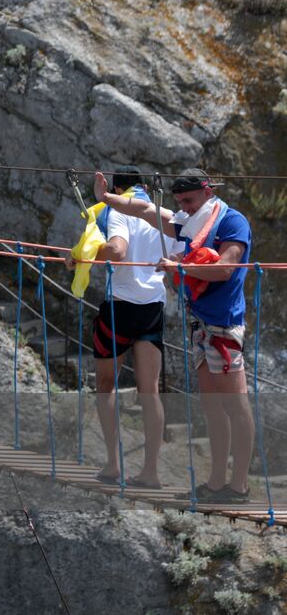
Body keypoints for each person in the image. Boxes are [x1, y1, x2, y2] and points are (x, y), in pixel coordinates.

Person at [96, 167, 254, 503]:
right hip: (201, 326)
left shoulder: (231, 221)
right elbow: (144, 210)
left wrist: (178, 267)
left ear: (208, 192)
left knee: (236, 405)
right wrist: (105, 197)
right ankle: (214, 484)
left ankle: (239, 486)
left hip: (225, 325)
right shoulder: (188, 221)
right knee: (212, 407)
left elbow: (226, 267)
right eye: (180, 201)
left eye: (190, 200)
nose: (186, 206)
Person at [69, 166, 165, 489]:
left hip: (120, 309)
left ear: (118, 189)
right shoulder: (160, 214)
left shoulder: (119, 211)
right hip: (153, 309)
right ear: (143, 188)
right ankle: (150, 471)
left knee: (105, 386)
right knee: (150, 392)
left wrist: (79, 255)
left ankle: (113, 464)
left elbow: (118, 252)